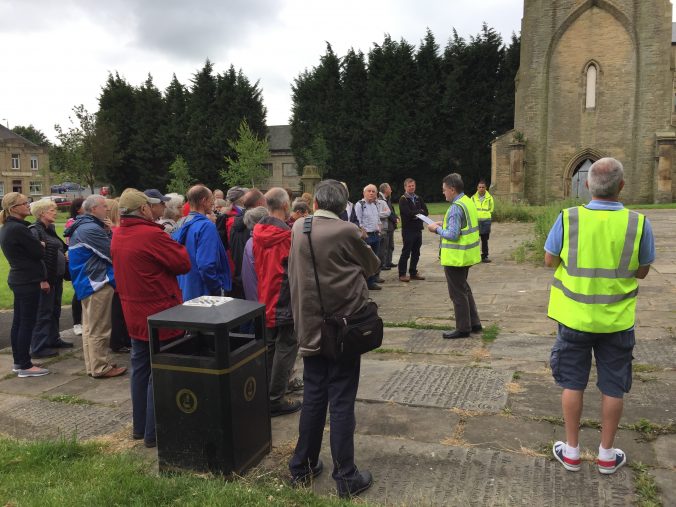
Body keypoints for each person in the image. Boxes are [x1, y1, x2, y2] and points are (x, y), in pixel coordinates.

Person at [544, 158, 655, 475]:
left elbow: (550, 260)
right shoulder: (638, 223)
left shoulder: (568, 218)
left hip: (574, 318)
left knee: (572, 383)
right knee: (613, 387)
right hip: (616, 321)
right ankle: (607, 455)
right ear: (622, 186)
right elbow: (643, 271)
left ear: (587, 185)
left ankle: (572, 451)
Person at [287, 179, 380, 498]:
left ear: (315, 204)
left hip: (310, 328)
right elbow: (372, 265)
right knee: (341, 399)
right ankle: (346, 476)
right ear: (343, 208)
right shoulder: (346, 230)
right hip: (341, 330)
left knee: (314, 397)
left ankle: (302, 466)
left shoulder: (299, 227)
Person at [111, 189, 191, 449]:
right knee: (161, 372)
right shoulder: (151, 234)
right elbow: (182, 263)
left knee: (140, 369)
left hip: (134, 313)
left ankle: (139, 427)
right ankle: (154, 432)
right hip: (160, 312)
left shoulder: (119, 233)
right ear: (144, 209)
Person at [66, 195, 127, 378]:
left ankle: (93, 366)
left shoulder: (84, 226)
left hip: (87, 282)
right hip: (97, 282)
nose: (107, 209)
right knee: (99, 328)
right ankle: (101, 367)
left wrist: (107, 231)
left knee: (89, 328)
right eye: (104, 206)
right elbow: (113, 253)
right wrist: (113, 231)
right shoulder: (90, 229)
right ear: (94, 209)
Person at [253, 187, 301, 417]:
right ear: (285, 205)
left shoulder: (258, 230)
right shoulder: (285, 236)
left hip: (265, 294)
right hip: (283, 296)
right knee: (287, 346)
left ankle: (265, 394)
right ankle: (275, 399)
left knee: (271, 346)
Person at [0, 193, 50, 378]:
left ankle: (20, 361)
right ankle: (24, 365)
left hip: (20, 279)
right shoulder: (18, 229)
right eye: (24, 203)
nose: (28, 205)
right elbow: (38, 252)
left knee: (20, 322)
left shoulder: (9, 227)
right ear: (13, 208)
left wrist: (38, 245)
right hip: (26, 280)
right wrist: (40, 245)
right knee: (26, 323)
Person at [427, 173, 482, 339]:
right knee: (464, 288)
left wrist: (436, 229)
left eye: (444, 189)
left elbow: (452, 234)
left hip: (455, 258)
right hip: (466, 255)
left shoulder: (455, 207)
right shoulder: (467, 201)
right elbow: (461, 226)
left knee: (457, 293)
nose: (443, 192)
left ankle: (463, 328)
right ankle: (474, 323)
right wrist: (444, 224)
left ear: (452, 189)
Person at [29, 199, 72, 358]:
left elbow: (55, 248)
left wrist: (63, 254)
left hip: (56, 276)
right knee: (44, 311)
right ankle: (38, 347)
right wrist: (42, 279)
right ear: (41, 213)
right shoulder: (35, 231)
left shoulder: (50, 229)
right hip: (46, 279)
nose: (55, 212)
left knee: (55, 309)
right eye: (51, 210)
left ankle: (53, 339)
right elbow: (35, 258)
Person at [172, 185, 231, 300]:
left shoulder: (181, 223)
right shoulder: (206, 226)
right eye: (211, 200)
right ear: (204, 201)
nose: (213, 203)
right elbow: (206, 265)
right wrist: (217, 288)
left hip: (185, 290)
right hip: (204, 294)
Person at [354, 184, 390, 290]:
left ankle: (371, 281)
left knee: (374, 260)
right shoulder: (360, 205)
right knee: (366, 260)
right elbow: (357, 220)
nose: (371, 193)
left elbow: (377, 219)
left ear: (376, 194)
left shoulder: (374, 205)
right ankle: (364, 283)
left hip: (375, 235)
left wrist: (379, 229)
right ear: (364, 193)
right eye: (369, 191)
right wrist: (362, 232)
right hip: (366, 236)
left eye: (373, 191)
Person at [398, 178, 428, 282]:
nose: (411, 187)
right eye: (409, 186)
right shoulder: (403, 199)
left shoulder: (418, 198)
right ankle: (402, 274)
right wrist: (419, 211)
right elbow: (408, 214)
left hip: (418, 229)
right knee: (406, 252)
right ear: (405, 187)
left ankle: (413, 272)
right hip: (408, 230)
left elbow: (426, 212)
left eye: (413, 185)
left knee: (416, 252)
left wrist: (416, 213)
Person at [66, 197, 85, 336]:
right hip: (78, 260)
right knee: (78, 291)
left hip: (87, 261)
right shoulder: (72, 223)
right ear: (78, 209)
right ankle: (77, 323)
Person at [471, 179, 495, 263]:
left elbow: (491, 209)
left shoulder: (490, 198)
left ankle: (485, 256)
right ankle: (475, 256)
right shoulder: (473, 198)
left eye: (483, 187)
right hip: (476, 222)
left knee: (485, 240)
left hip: (486, 222)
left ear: (486, 188)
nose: (481, 189)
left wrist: (486, 215)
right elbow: (470, 209)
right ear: (477, 188)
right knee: (475, 240)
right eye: (480, 187)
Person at [378, 183, 398, 270]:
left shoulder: (387, 199)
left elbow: (391, 211)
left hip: (390, 226)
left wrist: (396, 217)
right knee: (384, 247)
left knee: (390, 245)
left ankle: (388, 262)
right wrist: (395, 219)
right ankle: (383, 264)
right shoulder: (381, 200)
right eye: (390, 188)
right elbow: (387, 213)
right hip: (385, 227)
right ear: (385, 189)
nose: (391, 190)